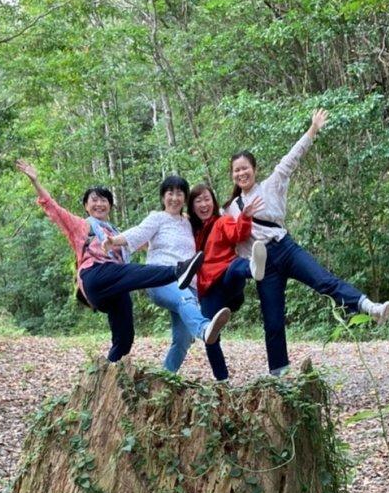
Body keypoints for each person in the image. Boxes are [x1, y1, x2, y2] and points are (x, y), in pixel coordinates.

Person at [226, 109, 389, 375]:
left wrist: (313, 130)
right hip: (263, 264)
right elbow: (233, 242)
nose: (241, 173)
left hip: (285, 248)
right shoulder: (231, 209)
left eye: (245, 168)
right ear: (232, 175)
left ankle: (370, 308)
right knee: (272, 321)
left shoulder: (272, 185)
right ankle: (279, 374)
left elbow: (291, 158)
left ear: (254, 170)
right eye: (236, 170)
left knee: (324, 281)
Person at [16, 161, 202, 364]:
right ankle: (178, 272)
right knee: (137, 270)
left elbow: (147, 241)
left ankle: (105, 374)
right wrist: (36, 182)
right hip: (96, 276)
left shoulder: (114, 233)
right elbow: (55, 209)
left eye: (104, 200)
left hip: (117, 287)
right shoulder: (81, 226)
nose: (99, 204)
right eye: (94, 201)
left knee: (125, 339)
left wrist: (176, 225)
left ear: (110, 206)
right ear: (86, 206)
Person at [104, 175, 232, 373]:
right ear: (163, 197)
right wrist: (114, 241)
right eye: (170, 193)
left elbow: (214, 219)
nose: (174, 198)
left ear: (185, 198)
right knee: (185, 301)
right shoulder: (157, 218)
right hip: (160, 279)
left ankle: (165, 379)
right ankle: (204, 329)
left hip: (187, 284)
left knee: (182, 341)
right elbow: (138, 233)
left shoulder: (189, 222)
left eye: (179, 193)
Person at [185, 183, 268, 381]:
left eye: (207, 199)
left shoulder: (222, 222)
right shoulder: (192, 231)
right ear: (192, 206)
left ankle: (252, 269)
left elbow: (238, 233)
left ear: (213, 202)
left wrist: (245, 217)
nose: (204, 204)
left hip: (228, 280)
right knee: (210, 336)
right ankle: (222, 380)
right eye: (198, 201)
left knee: (235, 266)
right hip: (209, 290)